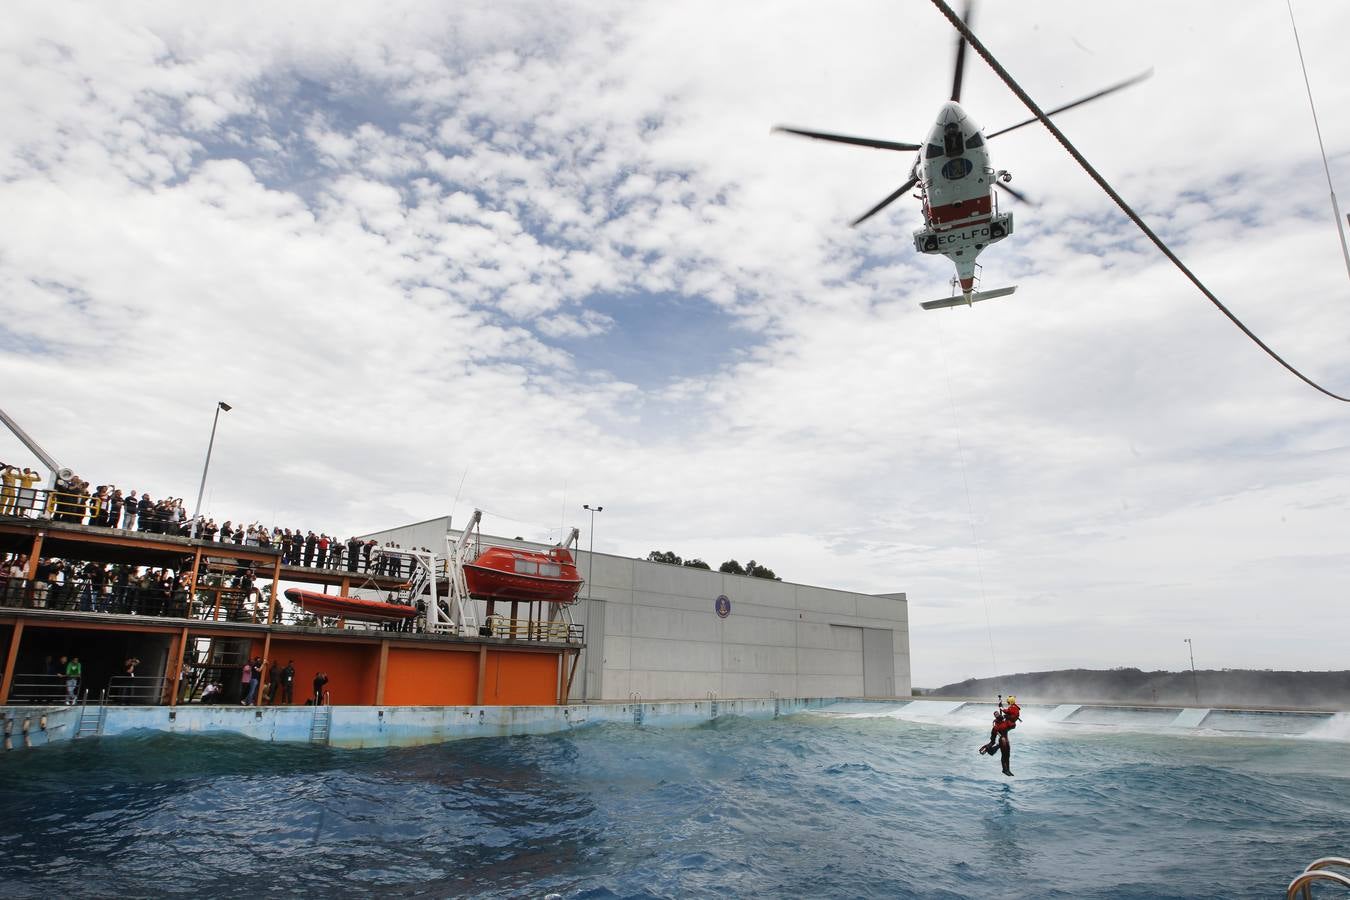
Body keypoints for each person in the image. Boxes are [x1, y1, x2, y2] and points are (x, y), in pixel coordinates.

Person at [980, 695, 1021, 777]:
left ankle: (1007, 769)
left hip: (1005, 740)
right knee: (1005, 755)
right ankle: (1005, 769)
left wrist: (1001, 705)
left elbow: (1011, 723)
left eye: (999, 714)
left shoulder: (1002, 723)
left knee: (1007, 755)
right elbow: (1012, 725)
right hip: (1003, 740)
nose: (1000, 715)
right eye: (998, 715)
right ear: (997, 718)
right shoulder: (1000, 725)